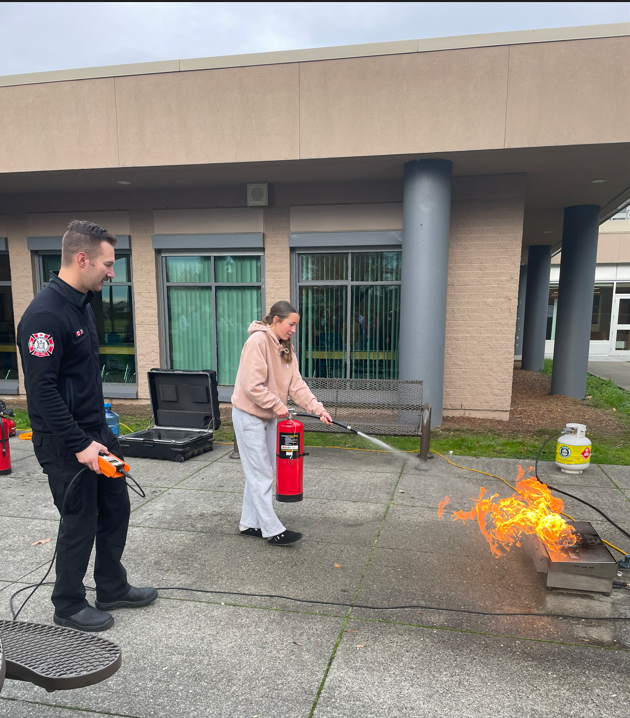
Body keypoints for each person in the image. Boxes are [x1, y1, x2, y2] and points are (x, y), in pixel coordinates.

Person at [17, 220, 157, 632]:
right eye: (107, 264)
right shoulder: (45, 314)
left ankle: (112, 586)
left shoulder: (80, 304)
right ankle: (68, 603)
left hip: (98, 434)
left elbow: (80, 380)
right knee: (79, 519)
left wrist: (102, 436)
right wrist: (80, 444)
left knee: (116, 507)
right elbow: (41, 393)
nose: (112, 272)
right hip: (66, 443)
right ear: (82, 259)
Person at [231, 301, 333, 545]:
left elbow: (296, 385)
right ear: (275, 320)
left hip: (268, 416)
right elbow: (252, 386)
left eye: (296, 325)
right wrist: (279, 407)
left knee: (258, 472)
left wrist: (318, 409)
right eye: (291, 324)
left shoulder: (286, 347)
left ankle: (249, 523)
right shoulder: (257, 342)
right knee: (261, 473)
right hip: (249, 416)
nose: (294, 329)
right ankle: (272, 529)